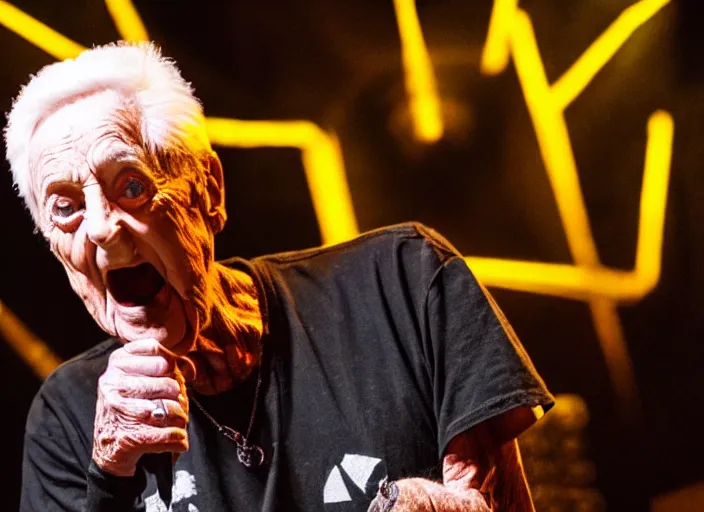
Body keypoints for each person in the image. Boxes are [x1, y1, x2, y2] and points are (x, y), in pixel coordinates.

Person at [6, 42, 554, 512]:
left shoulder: (401, 283)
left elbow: (492, 499)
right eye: (66, 207)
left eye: (131, 186)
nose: (101, 228)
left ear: (208, 192)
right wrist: (107, 477)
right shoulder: (68, 420)